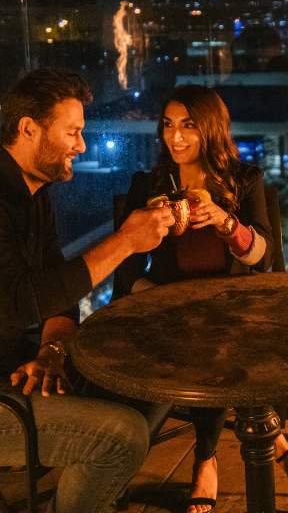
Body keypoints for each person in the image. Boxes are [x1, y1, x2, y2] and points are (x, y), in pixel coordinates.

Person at [113, 85, 288, 513]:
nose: (175, 137)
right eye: (168, 126)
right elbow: (125, 277)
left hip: (236, 314)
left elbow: (263, 257)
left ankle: (206, 459)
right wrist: (160, 293)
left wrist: (226, 223)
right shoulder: (150, 186)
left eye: (188, 126)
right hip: (171, 320)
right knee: (215, 351)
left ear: (210, 129)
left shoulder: (242, 181)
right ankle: (284, 456)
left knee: (223, 346)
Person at [0, 68, 176, 513]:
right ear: (28, 129)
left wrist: (52, 352)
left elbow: (56, 293)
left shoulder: (35, 196)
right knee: (122, 436)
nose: (81, 146)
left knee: (166, 371)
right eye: (72, 132)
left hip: (25, 370)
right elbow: (15, 302)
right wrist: (126, 242)